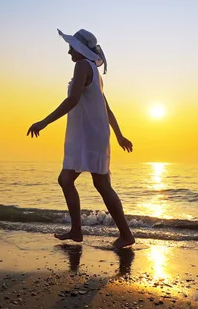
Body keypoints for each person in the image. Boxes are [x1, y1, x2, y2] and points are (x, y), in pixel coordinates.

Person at [27, 28, 135, 249]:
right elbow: (107, 108)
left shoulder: (83, 66)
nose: (68, 52)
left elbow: (73, 100)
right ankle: (81, 231)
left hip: (88, 134)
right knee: (82, 182)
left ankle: (120, 234)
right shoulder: (92, 71)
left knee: (90, 183)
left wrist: (44, 122)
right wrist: (119, 135)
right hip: (92, 133)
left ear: (79, 48)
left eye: (70, 47)